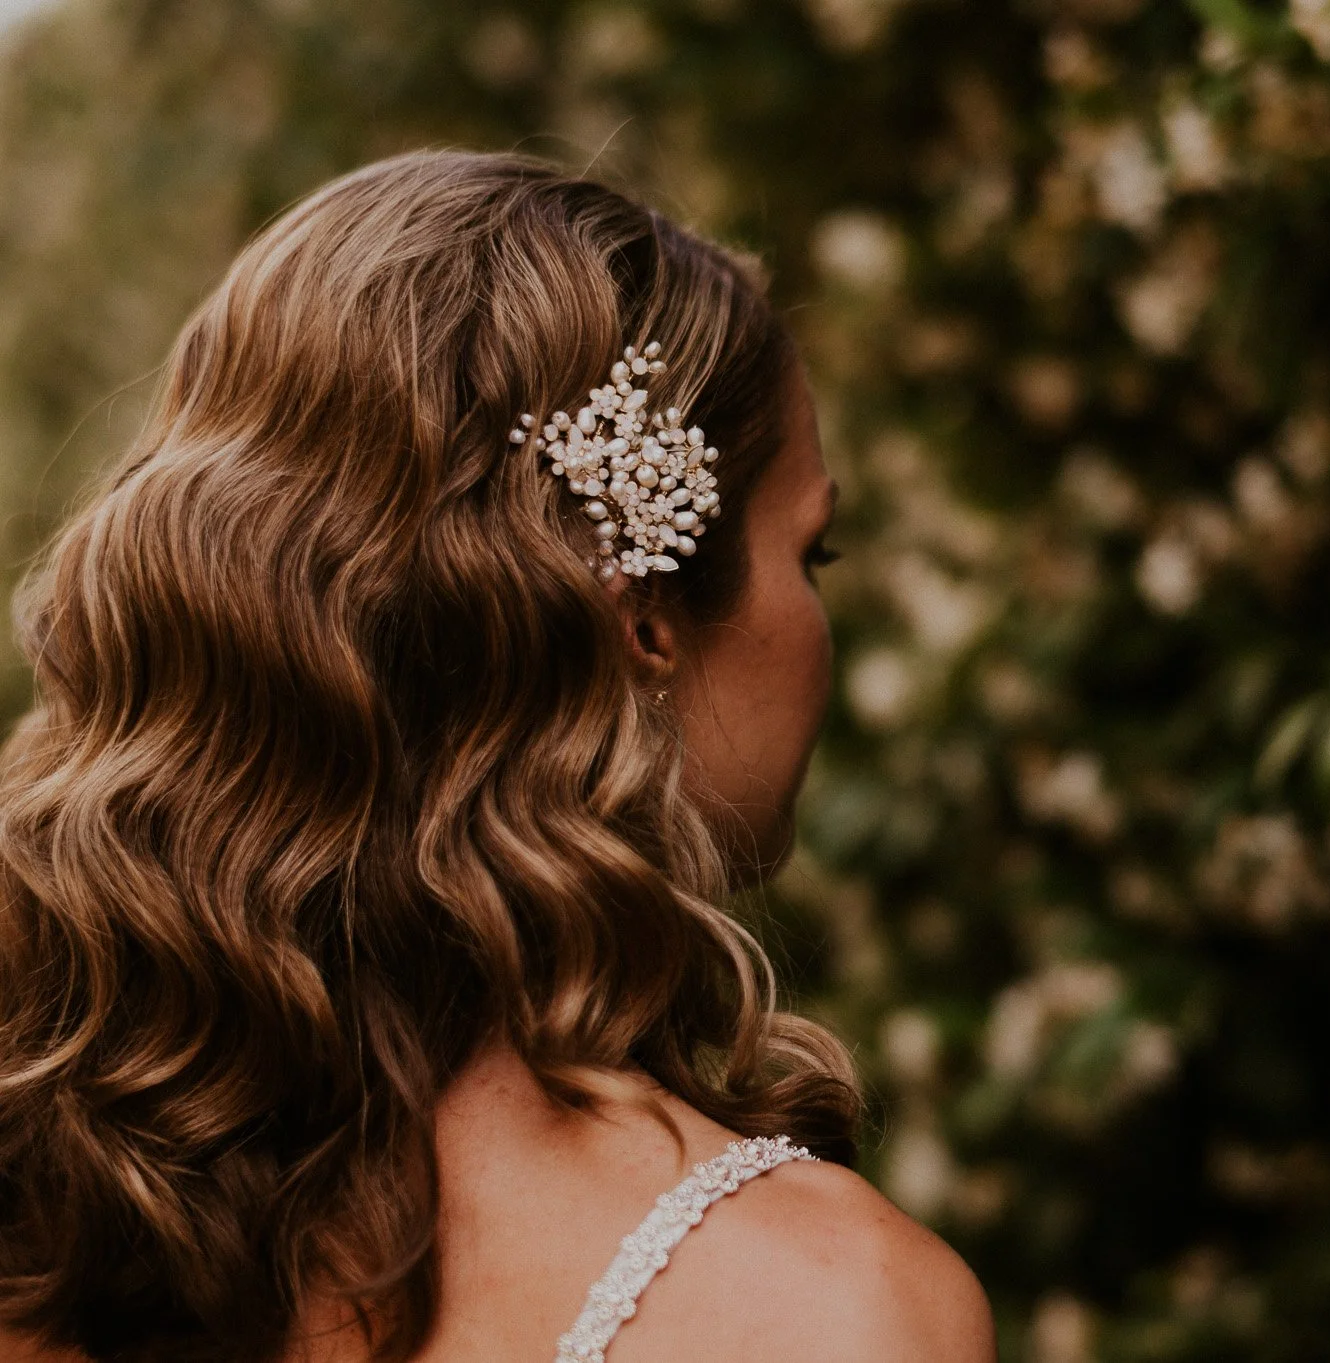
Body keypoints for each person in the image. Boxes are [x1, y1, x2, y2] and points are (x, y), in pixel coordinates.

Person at [0, 150, 995, 1363]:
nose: (820, 618)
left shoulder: (61, 1169)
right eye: (813, 554)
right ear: (640, 617)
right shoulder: (824, 1310)